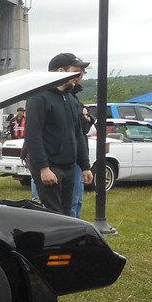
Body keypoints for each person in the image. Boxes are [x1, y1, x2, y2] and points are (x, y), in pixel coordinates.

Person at [25, 53, 94, 216]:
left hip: (69, 167)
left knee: (66, 214)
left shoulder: (70, 99)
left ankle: (64, 242)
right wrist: (43, 168)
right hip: (50, 167)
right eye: (76, 71)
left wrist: (85, 166)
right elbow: (33, 136)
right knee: (53, 215)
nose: (78, 76)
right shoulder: (38, 98)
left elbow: (77, 134)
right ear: (61, 71)